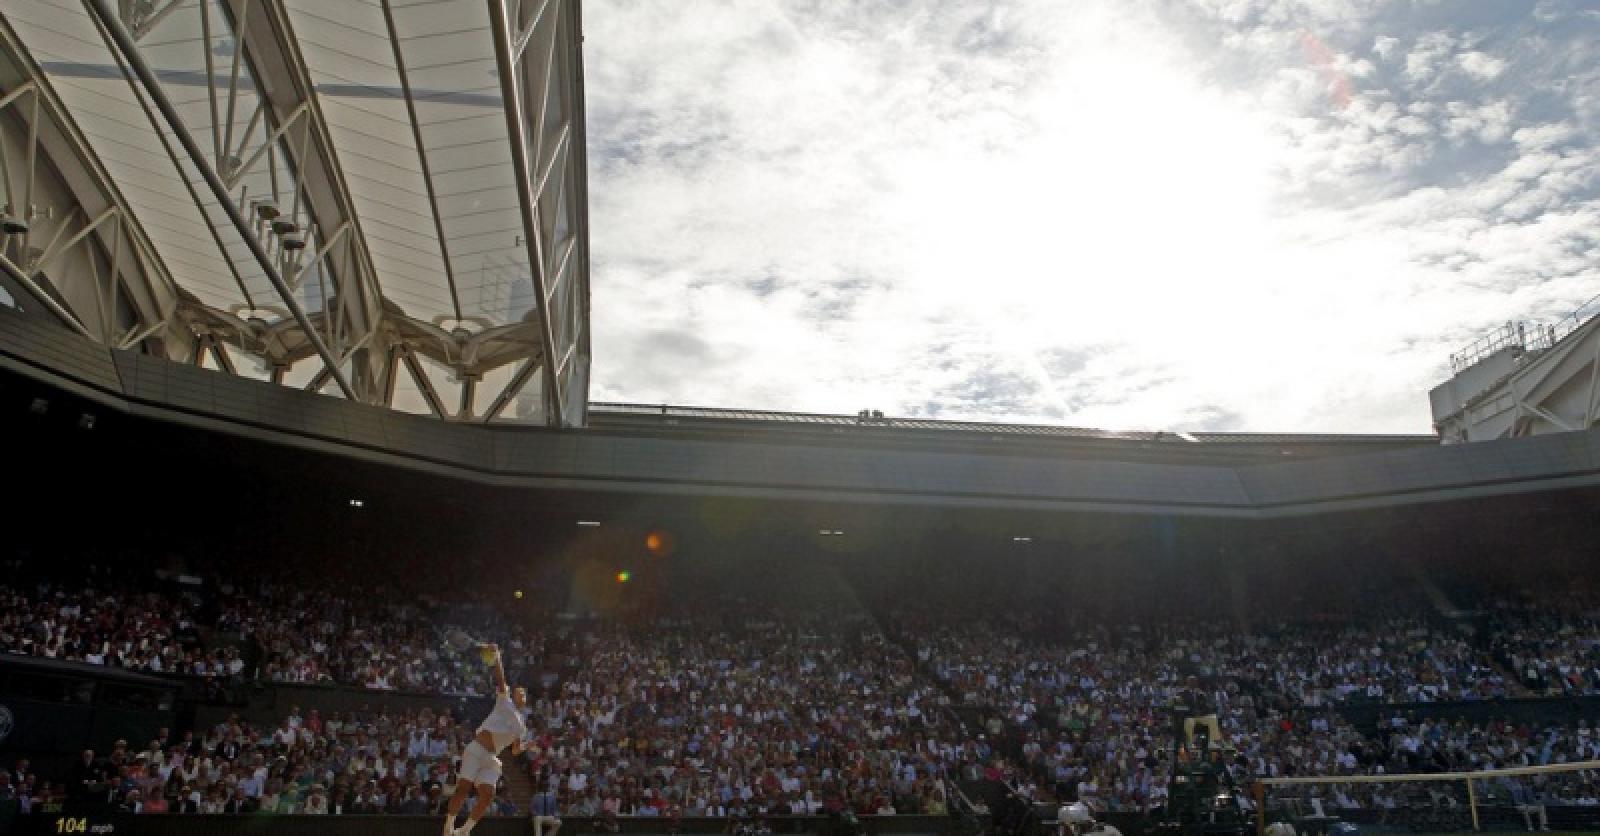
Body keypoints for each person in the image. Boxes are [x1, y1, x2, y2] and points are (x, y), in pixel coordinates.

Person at [443, 643, 527, 836]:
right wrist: (497, 656)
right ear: (513, 695)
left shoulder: (521, 727)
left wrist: (524, 748)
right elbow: (500, 678)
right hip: (476, 749)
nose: (520, 693)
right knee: (463, 789)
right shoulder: (504, 700)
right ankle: (448, 827)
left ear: (525, 700)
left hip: (491, 758)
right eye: (518, 691)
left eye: (523, 693)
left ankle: (465, 831)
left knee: (488, 796)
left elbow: (514, 750)